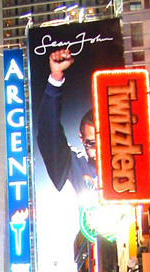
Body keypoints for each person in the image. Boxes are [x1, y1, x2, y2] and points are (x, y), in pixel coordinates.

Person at [37, 48, 97, 199]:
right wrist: (55, 78)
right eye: (93, 144)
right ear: (81, 138)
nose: (99, 151)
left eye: (106, 143)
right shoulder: (73, 164)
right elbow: (48, 132)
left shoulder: (125, 156)